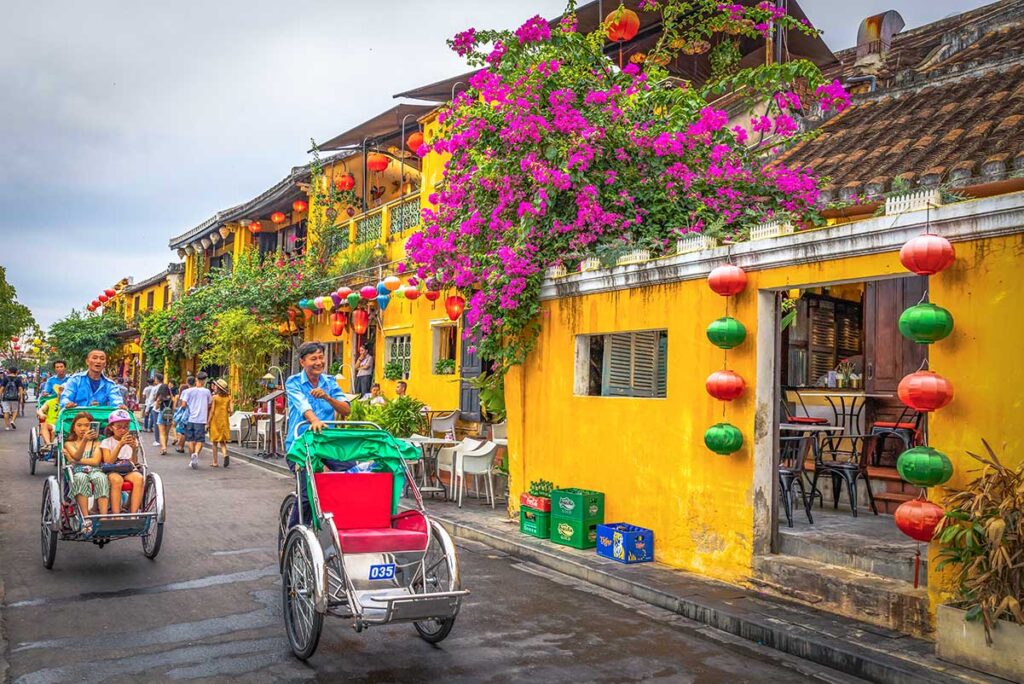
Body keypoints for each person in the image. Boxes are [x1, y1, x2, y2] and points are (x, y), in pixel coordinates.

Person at [285, 341, 351, 527]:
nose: (319, 362)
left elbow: (346, 410)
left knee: (352, 473)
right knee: (307, 494)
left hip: (327, 444)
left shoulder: (330, 382)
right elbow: (302, 404)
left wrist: (327, 397)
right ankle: (293, 538)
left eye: (321, 357)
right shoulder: (294, 382)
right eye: (313, 358)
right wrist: (313, 420)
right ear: (302, 362)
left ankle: (337, 521)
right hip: (300, 445)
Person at [63, 411, 110, 531]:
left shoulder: (97, 443)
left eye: (87, 425)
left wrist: (73, 460)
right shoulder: (69, 443)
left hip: (95, 470)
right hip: (77, 472)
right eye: (79, 425)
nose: (83, 428)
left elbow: (95, 462)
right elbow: (77, 456)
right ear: (73, 427)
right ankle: (86, 518)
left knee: (101, 478)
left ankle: (104, 518)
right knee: (80, 478)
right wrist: (84, 441)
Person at [101, 409, 145, 514]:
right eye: (119, 427)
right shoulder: (106, 442)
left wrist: (134, 449)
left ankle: (133, 513)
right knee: (116, 480)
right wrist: (120, 445)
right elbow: (108, 461)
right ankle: (116, 514)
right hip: (112, 469)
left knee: (139, 478)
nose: (123, 430)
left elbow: (133, 462)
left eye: (126, 427)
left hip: (128, 468)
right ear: (111, 428)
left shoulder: (132, 441)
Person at [59, 350, 125, 409]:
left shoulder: (110, 384)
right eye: (95, 358)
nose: (98, 361)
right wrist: (67, 403)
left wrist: (120, 406)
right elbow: (65, 398)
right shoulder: (75, 380)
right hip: (77, 419)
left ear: (105, 364)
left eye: (102, 359)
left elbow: (116, 400)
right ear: (87, 361)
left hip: (100, 419)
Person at [178, 372, 212, 470]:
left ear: (196, 379)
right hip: (201, 420)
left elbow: (183, 405)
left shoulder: (188, 391)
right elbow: (210, 404)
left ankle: (192, 457)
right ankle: (196, 454)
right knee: (200, 440)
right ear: (204, 380)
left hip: (190, 419)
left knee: (191, 440)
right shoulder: (207, 392)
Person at [208, 378, 233, 467]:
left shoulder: (215, 397)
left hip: (215, 420)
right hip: (224, 420)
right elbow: (231, 410)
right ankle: (225, 454)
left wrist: (208, 422)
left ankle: (215, 462)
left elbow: (212, 411)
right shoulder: (228, 397)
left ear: (218, 388)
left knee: (214, 442)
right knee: (222, 441)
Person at [152, 374, 173, 455]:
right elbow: (173, 408)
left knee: (162, 433)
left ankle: (163, 448)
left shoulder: (160, 398)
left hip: (161, 414)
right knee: (166, 433)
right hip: (170, 415)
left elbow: (156, 408)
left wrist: (157, 402)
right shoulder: (171, 398)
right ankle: (165, 447)